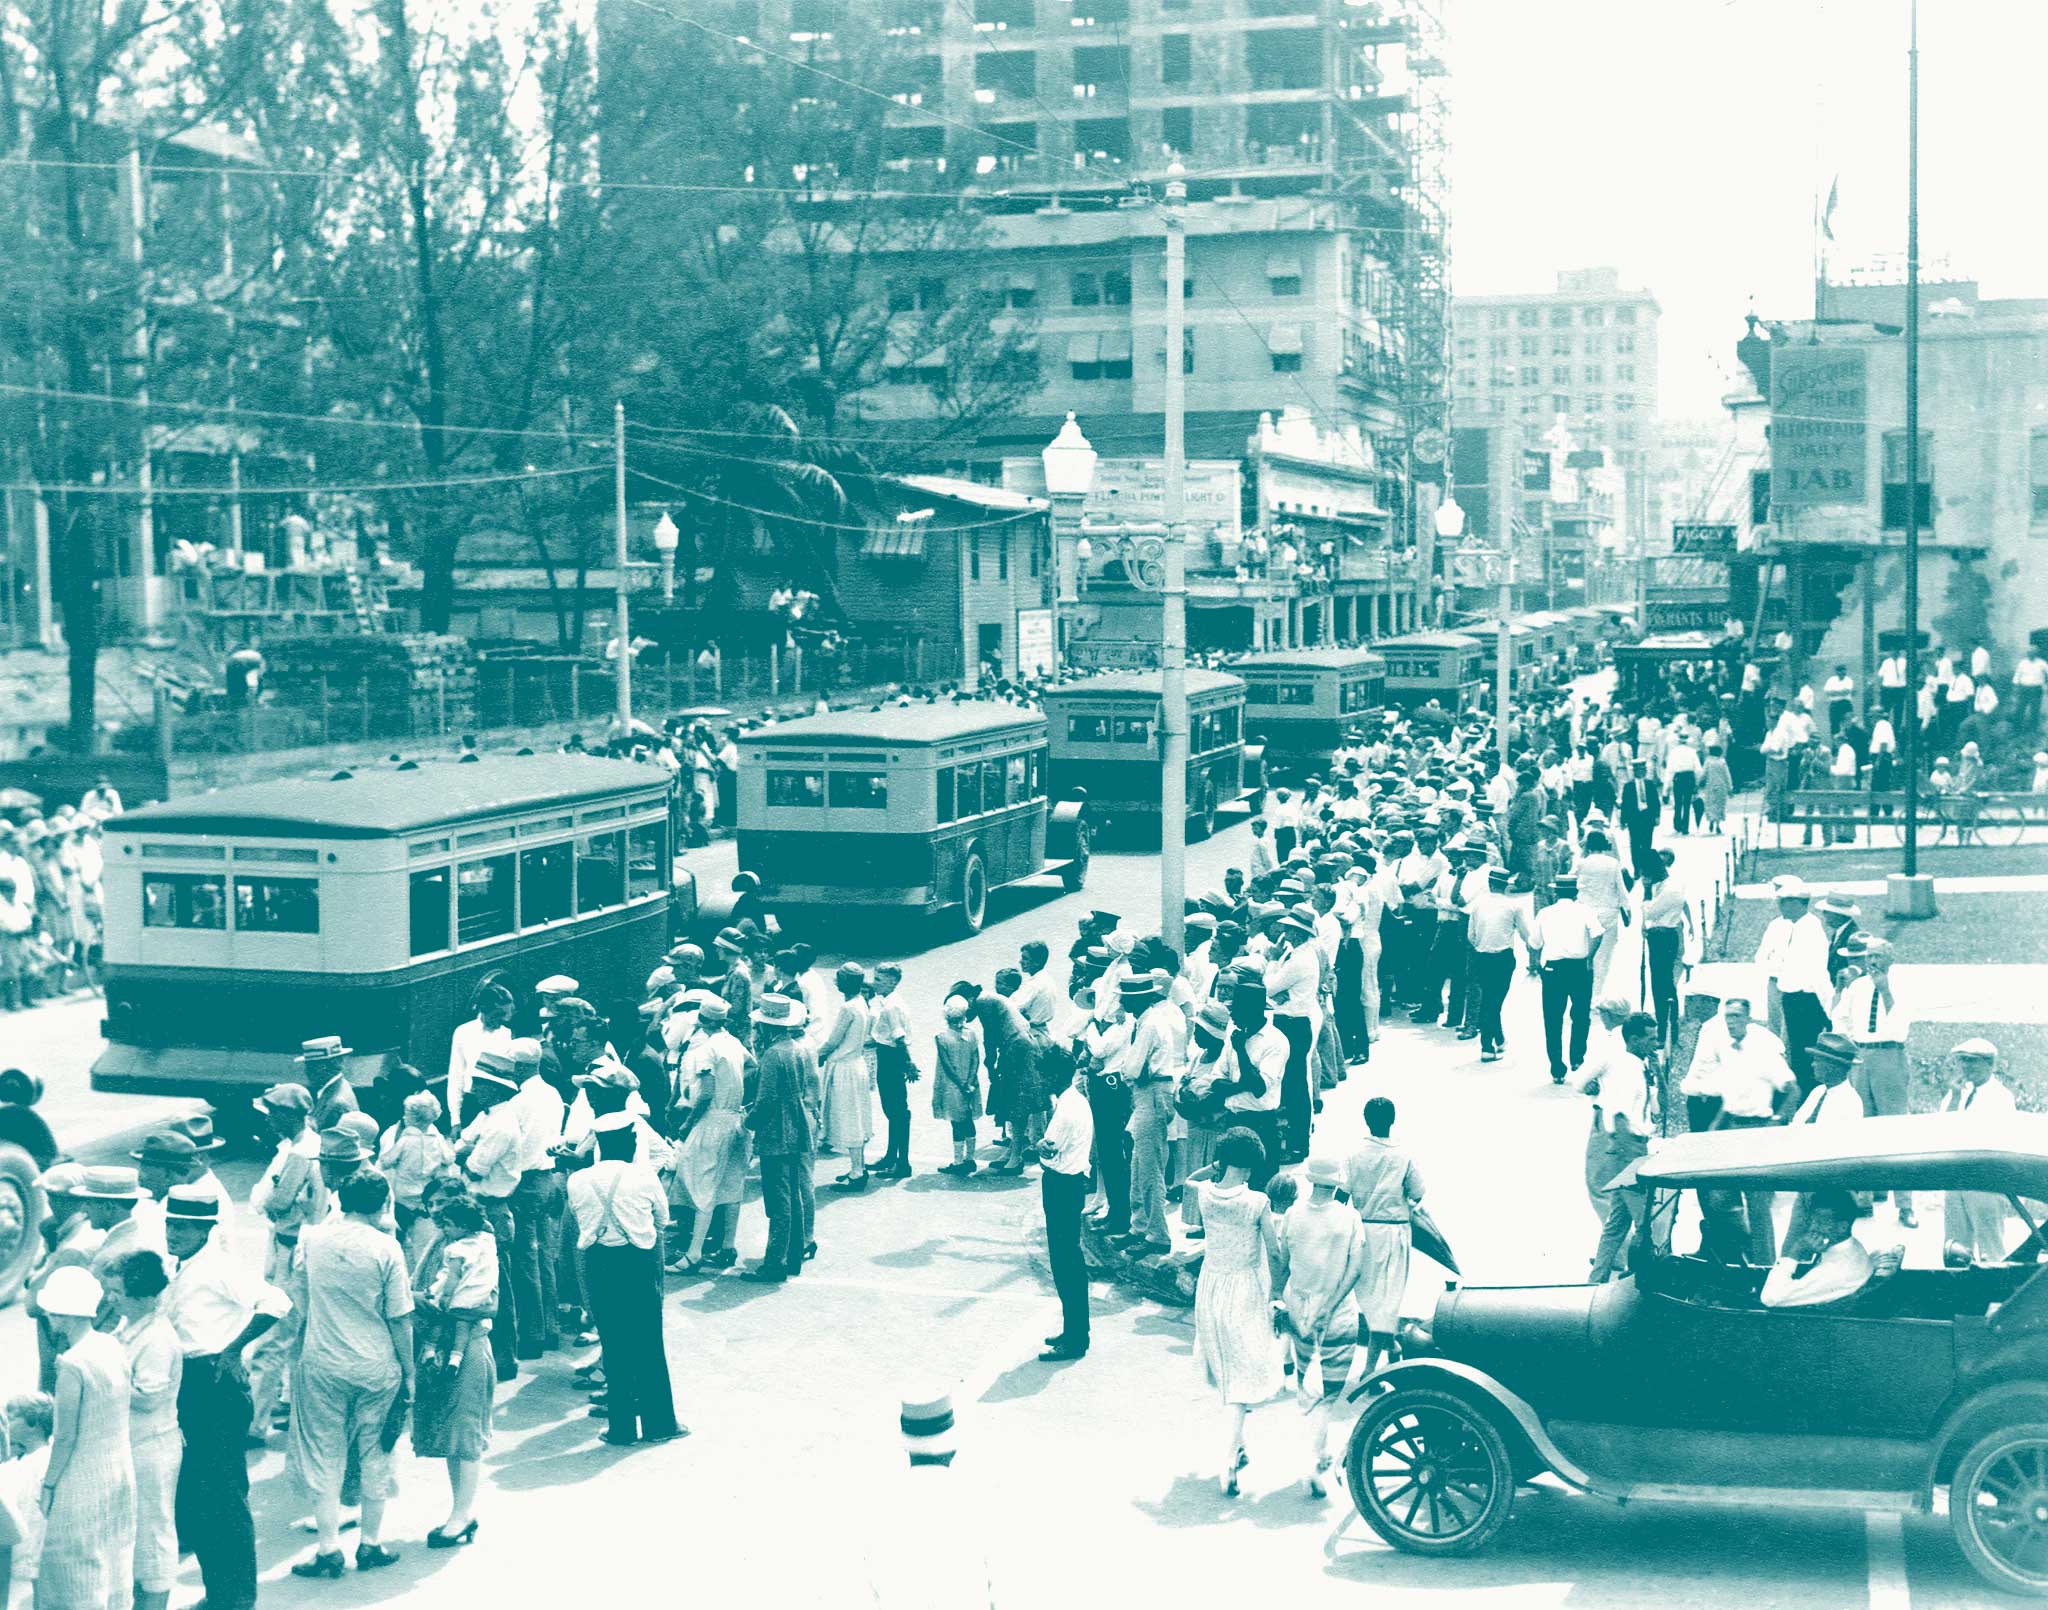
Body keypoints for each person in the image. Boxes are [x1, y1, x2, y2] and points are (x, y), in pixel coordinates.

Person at [285, 1169, 414, 1578]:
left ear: (341, 1198)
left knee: (324, 1452)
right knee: (376, 1453)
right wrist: (409, 1372)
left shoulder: (313, 1239)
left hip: (322, 1360)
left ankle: (327, 1547)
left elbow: (300, 1299)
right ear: (382, 1204)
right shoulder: (388, 1249)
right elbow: (399, 1318)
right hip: (376, 1364)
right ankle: (371, 1543)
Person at [163, 1183, 284, 1610]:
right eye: (171, 1223)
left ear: (206, 1230)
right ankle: (220, 1593)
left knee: (223, 1496)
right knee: (200, 1493)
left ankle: (234, 1598)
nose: (174, 1232)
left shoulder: (217, 1266)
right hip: (189, 1384)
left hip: (215, 1384)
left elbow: (276, 1302)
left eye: (185, 1226)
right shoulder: (180, 1265)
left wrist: (234, 1349)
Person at [566, 1114, 684, 1445]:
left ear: (599, 1144)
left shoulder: (577, 1180)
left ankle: (621, 1428)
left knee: (614, 1342)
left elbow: (579, 1218)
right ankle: (660, 1424)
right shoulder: (644, 1178)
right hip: (638, 1262)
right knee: (648, 1344)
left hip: (598, 1263)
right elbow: (662, 1219)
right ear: (631, 1142)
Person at [1185, 1128, 1283, 1497]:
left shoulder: (1206, 1194)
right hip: (1245, 1288)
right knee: (1245, 1376)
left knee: (1229, 1371)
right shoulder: (1258, 1202)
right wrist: (1276, 1291)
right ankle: (1230, 1456)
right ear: (1251, 1164)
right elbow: (1273, 1253)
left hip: (1211, 1284)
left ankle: (1238, 1445)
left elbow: (1189, 1182)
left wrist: (1215, 1167)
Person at [35, 1265, 136, 1610]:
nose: (48, 1317)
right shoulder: (112, 1345)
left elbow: (65, 1437)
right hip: (119, 1471)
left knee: (74, 1569)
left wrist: (48, 1485)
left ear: (62, 1315)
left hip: (81, 1479)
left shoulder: (72, 1364)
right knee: (113, 1560)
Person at [408, 1191, 496, 1549]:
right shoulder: (442, 1246)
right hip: (444, 1344)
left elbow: (478, 1301)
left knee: (465, 1434)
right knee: (451, 1438)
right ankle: (460, 1511)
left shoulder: (472, 1251)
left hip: (468, 1347)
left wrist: (422, 1301)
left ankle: (462, 1514)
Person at [1276, 1154, 1366, 1498]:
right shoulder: (1349, 1217)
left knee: (1309, 1389)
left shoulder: (1293, 1216)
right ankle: (1316, 1462)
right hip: (1339, 1315)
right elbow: (1355, 1268)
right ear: (1337, 1183)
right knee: (1327, 1395)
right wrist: (1330, 1305)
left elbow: (1283, 1263)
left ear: (1311, 1180)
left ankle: (1318, 1455)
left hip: (1301, 1313)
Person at [1681, 998, 1796, 1265]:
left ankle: (1764, 1266)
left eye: (1736, 1016)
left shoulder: (1763, 1053)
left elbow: (1793, 1089)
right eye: (1727, 1017)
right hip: (1731, 1129)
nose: (1731, 1022)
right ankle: (1739, 1254)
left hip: (1757, 1131)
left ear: (1747, 1018)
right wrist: (1712, 1131)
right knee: (1719, 1198)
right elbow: (1729, 1100)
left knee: (1758, 1207)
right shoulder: (1728, 1053)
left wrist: (1776, 1122)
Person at [112, 1250, 182, 1610]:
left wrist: (104, 1376)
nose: (112, 1298)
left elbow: (148, 1399)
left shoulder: (157, 1338)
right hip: (132, 1443)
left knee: (154, 1533)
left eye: (119, 1293)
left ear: (143, 1297)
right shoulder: (128, 1326)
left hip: (152, 1448)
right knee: (133, 1533)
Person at [1832, 936, 1915, 1225]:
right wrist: (1849, 1044)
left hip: (1890, 1055)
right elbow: (1839, 1017)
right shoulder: (1857, 987)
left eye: (1879, 956)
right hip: (1862, 1056)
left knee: (1896, 1131)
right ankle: (1863, 1199)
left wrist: (1886, 990)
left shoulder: (1901, 984)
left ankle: (1905, 1205)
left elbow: (1901, 1023)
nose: (1873, 962)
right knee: (1861, 1128)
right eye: (1869, 957)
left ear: (1890, 959)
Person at [1572, 1014, 1661, 1283]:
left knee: (1616, 1223)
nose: (1656, 1044)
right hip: (1629, 1150)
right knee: (1646, 1224)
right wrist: (1628, 1162)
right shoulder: (1626, 1069)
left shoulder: (1641, 1066)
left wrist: (1656, 1071)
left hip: (1634, 1148)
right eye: (1651, 1038)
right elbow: (1620, 1116)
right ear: (1634, 1039)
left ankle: (1597, 1277)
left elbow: (1660, 1107)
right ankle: (1651, 1277)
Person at [1344, 1097, 1425, 1375]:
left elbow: (1342, 1194)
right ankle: (1370, 1369)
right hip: (1393, 1231)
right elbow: (1417, 1192)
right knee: (1387, 1301)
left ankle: (1392, 1347)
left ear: (1366, 1120)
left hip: (1362, 1231)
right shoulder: (1403, 1155)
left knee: (1371, 1300)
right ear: (1393, 1120)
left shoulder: (1354, 1155)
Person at [671, 998, 749, 1272]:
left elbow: (705, 1092)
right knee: (730, 1185)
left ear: (701, 1022)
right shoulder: (734, 1043)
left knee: (703, 1186)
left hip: (711, 1122)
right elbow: (751, 1066)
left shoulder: (706, 1049)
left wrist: (688, 1123)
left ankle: (694, 1253)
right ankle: (727, 1247)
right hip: (734, 1120)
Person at [1940, 1039, 2019, 1266]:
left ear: (1989, 1065)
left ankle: (1998, 1292)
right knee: (1955, 1246)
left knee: (1991, 1248)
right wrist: (1955, 1096)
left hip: (1985, 1180)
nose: (1965, 1068)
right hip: (1957, 1178)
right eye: (1962, 1062)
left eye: (1972, 1063)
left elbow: (1991, 1139)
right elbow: (1941, 1128)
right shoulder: (1959, 1093)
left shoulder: (2000, 1097)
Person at [1036, 1062, 1095, 1363]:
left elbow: (1048, 1149)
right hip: (1071, 1184)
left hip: (1061, 1185)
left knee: (1064, 1263)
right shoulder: (1075, 1101)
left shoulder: (1065, 1110)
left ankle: (1075, 1339)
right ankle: (1075, 1330)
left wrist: (1037, 1145)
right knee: (1069, 1260)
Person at [1756, 876, 1833, 1092]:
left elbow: (1813, 972)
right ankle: (1801, 1092)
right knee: (1797, 1051)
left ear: (1797, 903)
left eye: (1783, 902)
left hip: (1806, 999)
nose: (1779, 906)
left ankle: (1808, 1092)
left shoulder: (1811, 928)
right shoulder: (1793, 926)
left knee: (1804, 1051)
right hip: (1791, 996)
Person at [1532, 872, 1601, 1084]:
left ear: (1555, 892)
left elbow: (1534, 943)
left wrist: (1537, 962)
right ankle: (1577, 1058)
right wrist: (1589, 957)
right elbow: (1598, 933)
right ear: (1576, 892)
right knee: (1580, 1015)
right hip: (1579, 967)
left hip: (1553, 969)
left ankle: (1557, 1068)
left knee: (1552, 1019)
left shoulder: (1545, 913)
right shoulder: (1585, 910)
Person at [1761, 1189, 1875, 1309]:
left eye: (1820, 1223)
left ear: (1842, 1226)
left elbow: (1769, 1298)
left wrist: (1795, 1252)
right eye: (1811, 1221)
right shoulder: (1852, 1248)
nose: (1812, 1227)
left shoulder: (1833, 1270)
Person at [1465, 865, 1530, 1063]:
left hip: (1482, 956)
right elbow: (1526, 934)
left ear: (1489, 884)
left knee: (1489, 1000)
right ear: (1506, 886)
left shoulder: (1477, 905)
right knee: (1494, 1001)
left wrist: (1482, 945)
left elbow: (1471, 935)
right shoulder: (1514, 906)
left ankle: (1499, 1040)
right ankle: (1487, 1046)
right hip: (1503, 958)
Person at [818, 963, 874, 1190]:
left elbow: (833, 1040)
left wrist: (817, 1055)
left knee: (850, 1120)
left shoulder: (848, 1008)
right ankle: (858, 1166)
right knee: (857, 1118)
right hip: (856, 1064)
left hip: (845, 1068)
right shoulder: (861, 1003)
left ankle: (857, 1172)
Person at [0, 1391, 55, 1606]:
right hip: (15, 1550)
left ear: (33, 1424)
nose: (7, 1423)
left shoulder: (42, 1462)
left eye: (12, 1417)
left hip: (29, 1549)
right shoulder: (20, 1462)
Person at [867, 964, 916, 1179]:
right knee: (892, 1110)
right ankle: (891, 1156)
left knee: (897, 1111)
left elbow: (899, 1036)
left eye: (880, 979)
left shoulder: (891, 1006)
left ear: (893, 981)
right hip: (886, 1054)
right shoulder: (885, 1002)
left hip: (892, 1057)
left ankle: (902, 1163)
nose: (875, 982)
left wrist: (908, 1063)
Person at [1641, 850, 1693, 1052]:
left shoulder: (1669, 889)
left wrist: (1646, 892)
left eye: (1646, 874)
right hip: (1659, 936)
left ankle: (1666, 1032)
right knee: (1661, 986)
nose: (1645, 878)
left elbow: (1650, 911)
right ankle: (1665, 1030)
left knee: (1663, 987)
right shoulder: (1663, 885)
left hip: (1663, 938)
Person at [445, 982, 514, 1129]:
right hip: (471, 1105)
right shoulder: (463, 1032)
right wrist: (455, 1120)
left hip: (499, 1105)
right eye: (499, 1014)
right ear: (484, 1009)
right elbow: (456, 1076)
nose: (505, 1019)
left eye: (507, 1013)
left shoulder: (508, 1034)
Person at [932, 995, 984, 1176]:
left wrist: (962, 1084)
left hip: (953, 1086)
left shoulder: (941, 1037)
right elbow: (976, 1059)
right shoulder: (971, 1034)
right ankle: (970, 1159)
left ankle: (958, 1161)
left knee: (957, 1123)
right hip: (970, 1084)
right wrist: (969, 1082)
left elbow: (946, 1065)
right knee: (968, 1120)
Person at [1575, 829, 1631, 997]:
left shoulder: (1581, 864)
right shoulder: (1613, 864)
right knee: (1603, 957)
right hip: (1608, 914)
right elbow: (1622, 891)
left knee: (1584, 953)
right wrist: (1627, 910)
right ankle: (1595, 995)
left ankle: (1583, 993)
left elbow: (1571, 885)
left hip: (1585, 913)